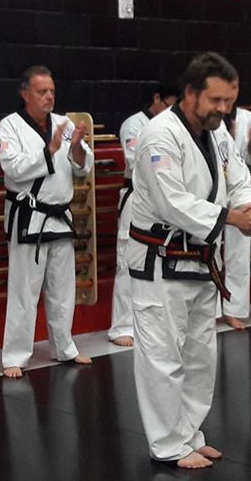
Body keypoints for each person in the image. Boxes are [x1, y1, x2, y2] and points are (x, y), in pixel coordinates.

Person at [126, 52, 251, 468]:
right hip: (160, 259)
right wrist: (232, 218)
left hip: (201, 259)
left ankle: (189, 434)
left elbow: (239, 179)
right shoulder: (159, 135)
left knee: (200, 358)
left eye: (230, 101)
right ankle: (167, 444)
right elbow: (172, 203)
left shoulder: (217, 132)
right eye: (216, 100)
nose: (224, 109)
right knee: (163, 356)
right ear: (190, 93)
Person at [0, 66, 94, 378]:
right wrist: (49, 150)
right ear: (25, 93)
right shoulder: (9, 127)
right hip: (30, 216)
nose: (49, 96)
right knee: (24, 291)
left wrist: (75, 147)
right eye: (42, 91)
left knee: (63, 289)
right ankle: (15, 355)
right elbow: (13, 169)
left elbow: (82, 166)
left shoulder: (64, 124)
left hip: (60, 216)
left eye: (51, 91)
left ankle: (64, 347)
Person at [108, 84, 179, 347]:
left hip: (164, 198)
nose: (171, 110)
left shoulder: (174, 125)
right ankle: (122, 326)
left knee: (160, 261)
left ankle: (153, 323)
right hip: (137, 196)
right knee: (127, 260)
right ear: (156, 98)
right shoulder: (134, 124)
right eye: (168, 104)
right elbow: (134, 160)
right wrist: (167, 164)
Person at [217, 104, 251, 329]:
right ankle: (210, 310)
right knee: (207, 250)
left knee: (238, 253)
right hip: (206, 190)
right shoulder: (191, 123)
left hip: (236, 185)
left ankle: (234, 309)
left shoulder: (245, 118)